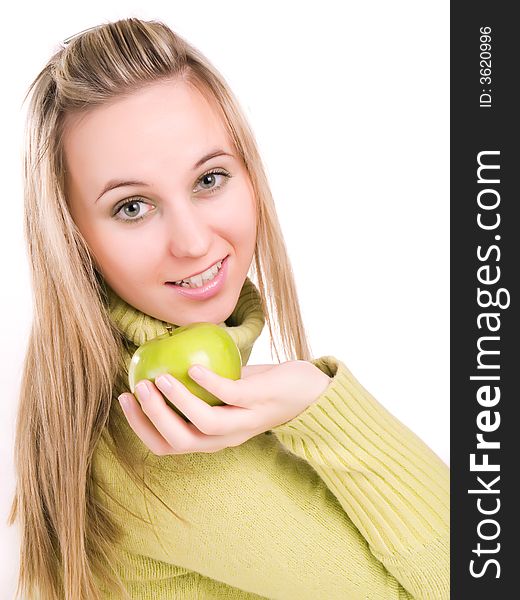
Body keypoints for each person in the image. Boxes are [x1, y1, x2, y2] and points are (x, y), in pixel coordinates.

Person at [8, 17, 449, 600]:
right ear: (73, 238)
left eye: (210, 178)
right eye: (132, 207)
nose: (192, 241)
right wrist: (319, 402)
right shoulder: (168, 435)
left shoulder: (107, 389)